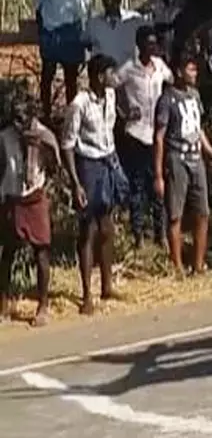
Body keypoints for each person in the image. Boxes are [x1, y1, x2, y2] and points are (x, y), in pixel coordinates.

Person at [61, 54, 127, 312]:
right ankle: (87, 294)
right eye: (111, 73)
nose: (114, 77)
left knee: (107, 227)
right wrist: (76, 183)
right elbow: (67, 145)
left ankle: (107, 286)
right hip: (88, 166)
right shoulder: (79, 104)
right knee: (88, 230)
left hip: (109, 161)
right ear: (100, 76)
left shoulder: (110, 97)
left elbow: (111, 126)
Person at [154, 54, 212, 275]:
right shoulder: (167, 99)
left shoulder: (194, 95)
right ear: (178, 71)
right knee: (175, 213)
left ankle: (198, 263)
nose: (194, 74)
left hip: (196, 158)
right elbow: (159, 137)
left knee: (202, 212)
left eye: (195, 70)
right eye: (190, 69)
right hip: (177, 158)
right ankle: (177, 266)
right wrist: (159, 174)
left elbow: (198, 129)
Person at [0, 98, 58, 326]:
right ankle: (3, 304)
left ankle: (43, 306)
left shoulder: (45, 136)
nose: (20, 123)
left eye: (24, 117)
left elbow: (54, 168)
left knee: (41, 251)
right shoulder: (5, 138)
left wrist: (40, 148)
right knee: (8, 253)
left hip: (35, 196)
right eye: (16, 117)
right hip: (12, 197)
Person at [112, 26, 171, 248]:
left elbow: (172, 81)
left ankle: (160, 233)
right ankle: (138, 234)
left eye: (154, 43)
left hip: (157, 133)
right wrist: (123, 112)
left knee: (158, 185)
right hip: (136, 133)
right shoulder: (129, 68)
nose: (152, 47)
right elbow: (111, 85)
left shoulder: (160, 67)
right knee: (137, 185)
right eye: (148, 43)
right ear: (139, 45)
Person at [36, 0, 90, 121]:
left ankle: (71, 117)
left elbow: (86, 11)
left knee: (71, 79)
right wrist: (42, 34)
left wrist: (84, 37)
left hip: (72, 33)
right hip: (51, 34)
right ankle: (46, 115)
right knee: (47, 77)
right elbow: (38, 9)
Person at [86, 0, 142, 71]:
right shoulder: (94, 23)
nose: (109, 1)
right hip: (103, 75)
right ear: (102, 0)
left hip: (128, 74)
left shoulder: (134, 20)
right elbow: (87, 44)